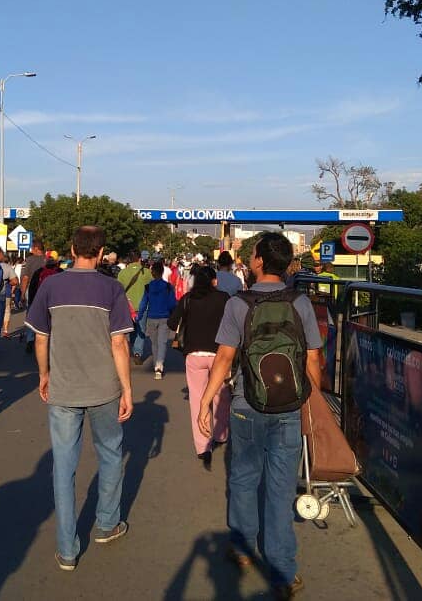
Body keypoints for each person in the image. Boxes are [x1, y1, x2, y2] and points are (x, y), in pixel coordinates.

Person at [198, 233, 323, 599]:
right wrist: (312, 401)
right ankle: (283, 570)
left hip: (246, 405)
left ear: (257, 262)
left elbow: (223, 358)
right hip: (289, 407)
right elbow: (314, 357)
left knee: (243, 476)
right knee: (281, 486)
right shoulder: (300, 302)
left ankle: (241, 549)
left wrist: (206, 402)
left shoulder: (239, 304)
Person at [25, 225, 134, 571]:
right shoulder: (112, 289)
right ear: (102, 253)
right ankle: (106, 524)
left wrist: (44, 373)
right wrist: (127, 388)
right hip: (104, 388)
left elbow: (41, 337)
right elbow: (119, 342)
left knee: (64, 466)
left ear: (71, 249)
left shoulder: (51, 285)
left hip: (63, 389)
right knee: (111, 454)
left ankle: (67, 549)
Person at [167, 265, 230, 470]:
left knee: (197, 399)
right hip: (219, 354)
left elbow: (172, 323)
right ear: (214, 281)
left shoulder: (188, 299)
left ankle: (203, 446)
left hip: (194, 355)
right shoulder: (223, 298)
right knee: (220, 395)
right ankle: (221, 434)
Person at [136, 261, 178, 380]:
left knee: (154, 343)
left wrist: (139, 316)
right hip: (164, 317)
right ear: (162, 272)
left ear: (152, 273)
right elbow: (172, 303)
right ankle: (159, 365)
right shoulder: (168, 287)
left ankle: (156, 364)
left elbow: (144, 303)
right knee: (162, 342)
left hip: (151, 317)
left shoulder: (148, 287)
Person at [117, 250, 152, 365]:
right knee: (141, 330)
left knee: (131, 330)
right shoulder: (146, 273)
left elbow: (119, 291)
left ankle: (134, 349)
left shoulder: (122, 273)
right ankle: (138, 352)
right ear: (139, 259)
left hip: (128, 306)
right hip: (143, 307)